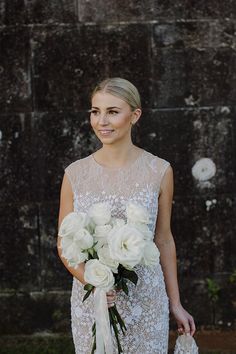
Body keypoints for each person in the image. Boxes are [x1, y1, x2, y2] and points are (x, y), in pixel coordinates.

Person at [57, 77, 196, 353]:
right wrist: (92, 281)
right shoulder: (75, 174)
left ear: (135, 115)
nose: (102, 121)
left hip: (146, 299)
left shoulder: (159, 171)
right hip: (93, 300)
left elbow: (164, 239)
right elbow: (64, 244)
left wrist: (175, 303)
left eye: (112, 111)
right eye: (95, 111)